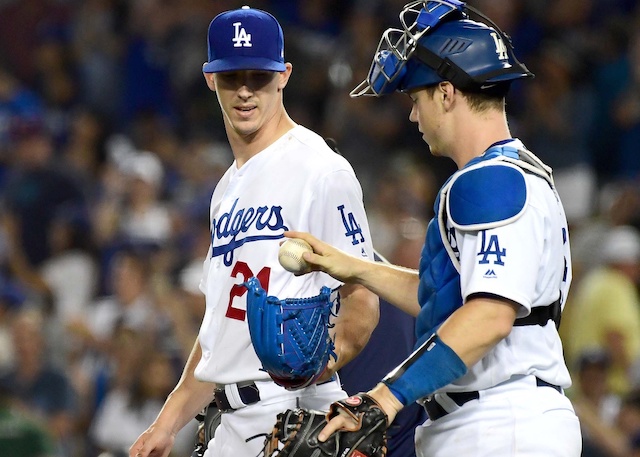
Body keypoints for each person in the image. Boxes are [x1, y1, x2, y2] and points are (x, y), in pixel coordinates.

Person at [285, 1, 582, 455]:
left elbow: (489, 315)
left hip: (500, 423)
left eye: (415, 98)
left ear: (446, 93)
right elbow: (450, 299)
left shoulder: (489, 181)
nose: (412, 115)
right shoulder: (514, 170)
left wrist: (385, 396)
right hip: (496, 419)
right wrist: (355, 268)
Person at [129, 6, 379, 457]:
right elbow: (219, 330)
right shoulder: (225, 190)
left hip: (295, 415)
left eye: (259, 77)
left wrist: (315, 373)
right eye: (232, 76)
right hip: (228, 420)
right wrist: (165, 425)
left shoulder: (321, 168)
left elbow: (362, 303)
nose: (245, 91)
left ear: (284, 75)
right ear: (210, 78)